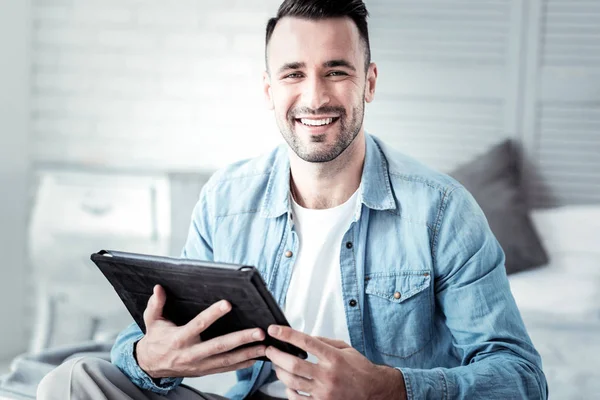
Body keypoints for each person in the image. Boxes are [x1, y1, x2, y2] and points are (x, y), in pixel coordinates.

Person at [37, 0, 548, 399]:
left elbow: (522, 378)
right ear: (268, 89)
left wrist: (389, 390)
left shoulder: (442, 211)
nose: (314, 96)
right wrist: (150, 360)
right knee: (71, 382)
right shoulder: (226, 199)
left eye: (337, 70)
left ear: (369, 83)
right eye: (293, 73)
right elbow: (152, 335)